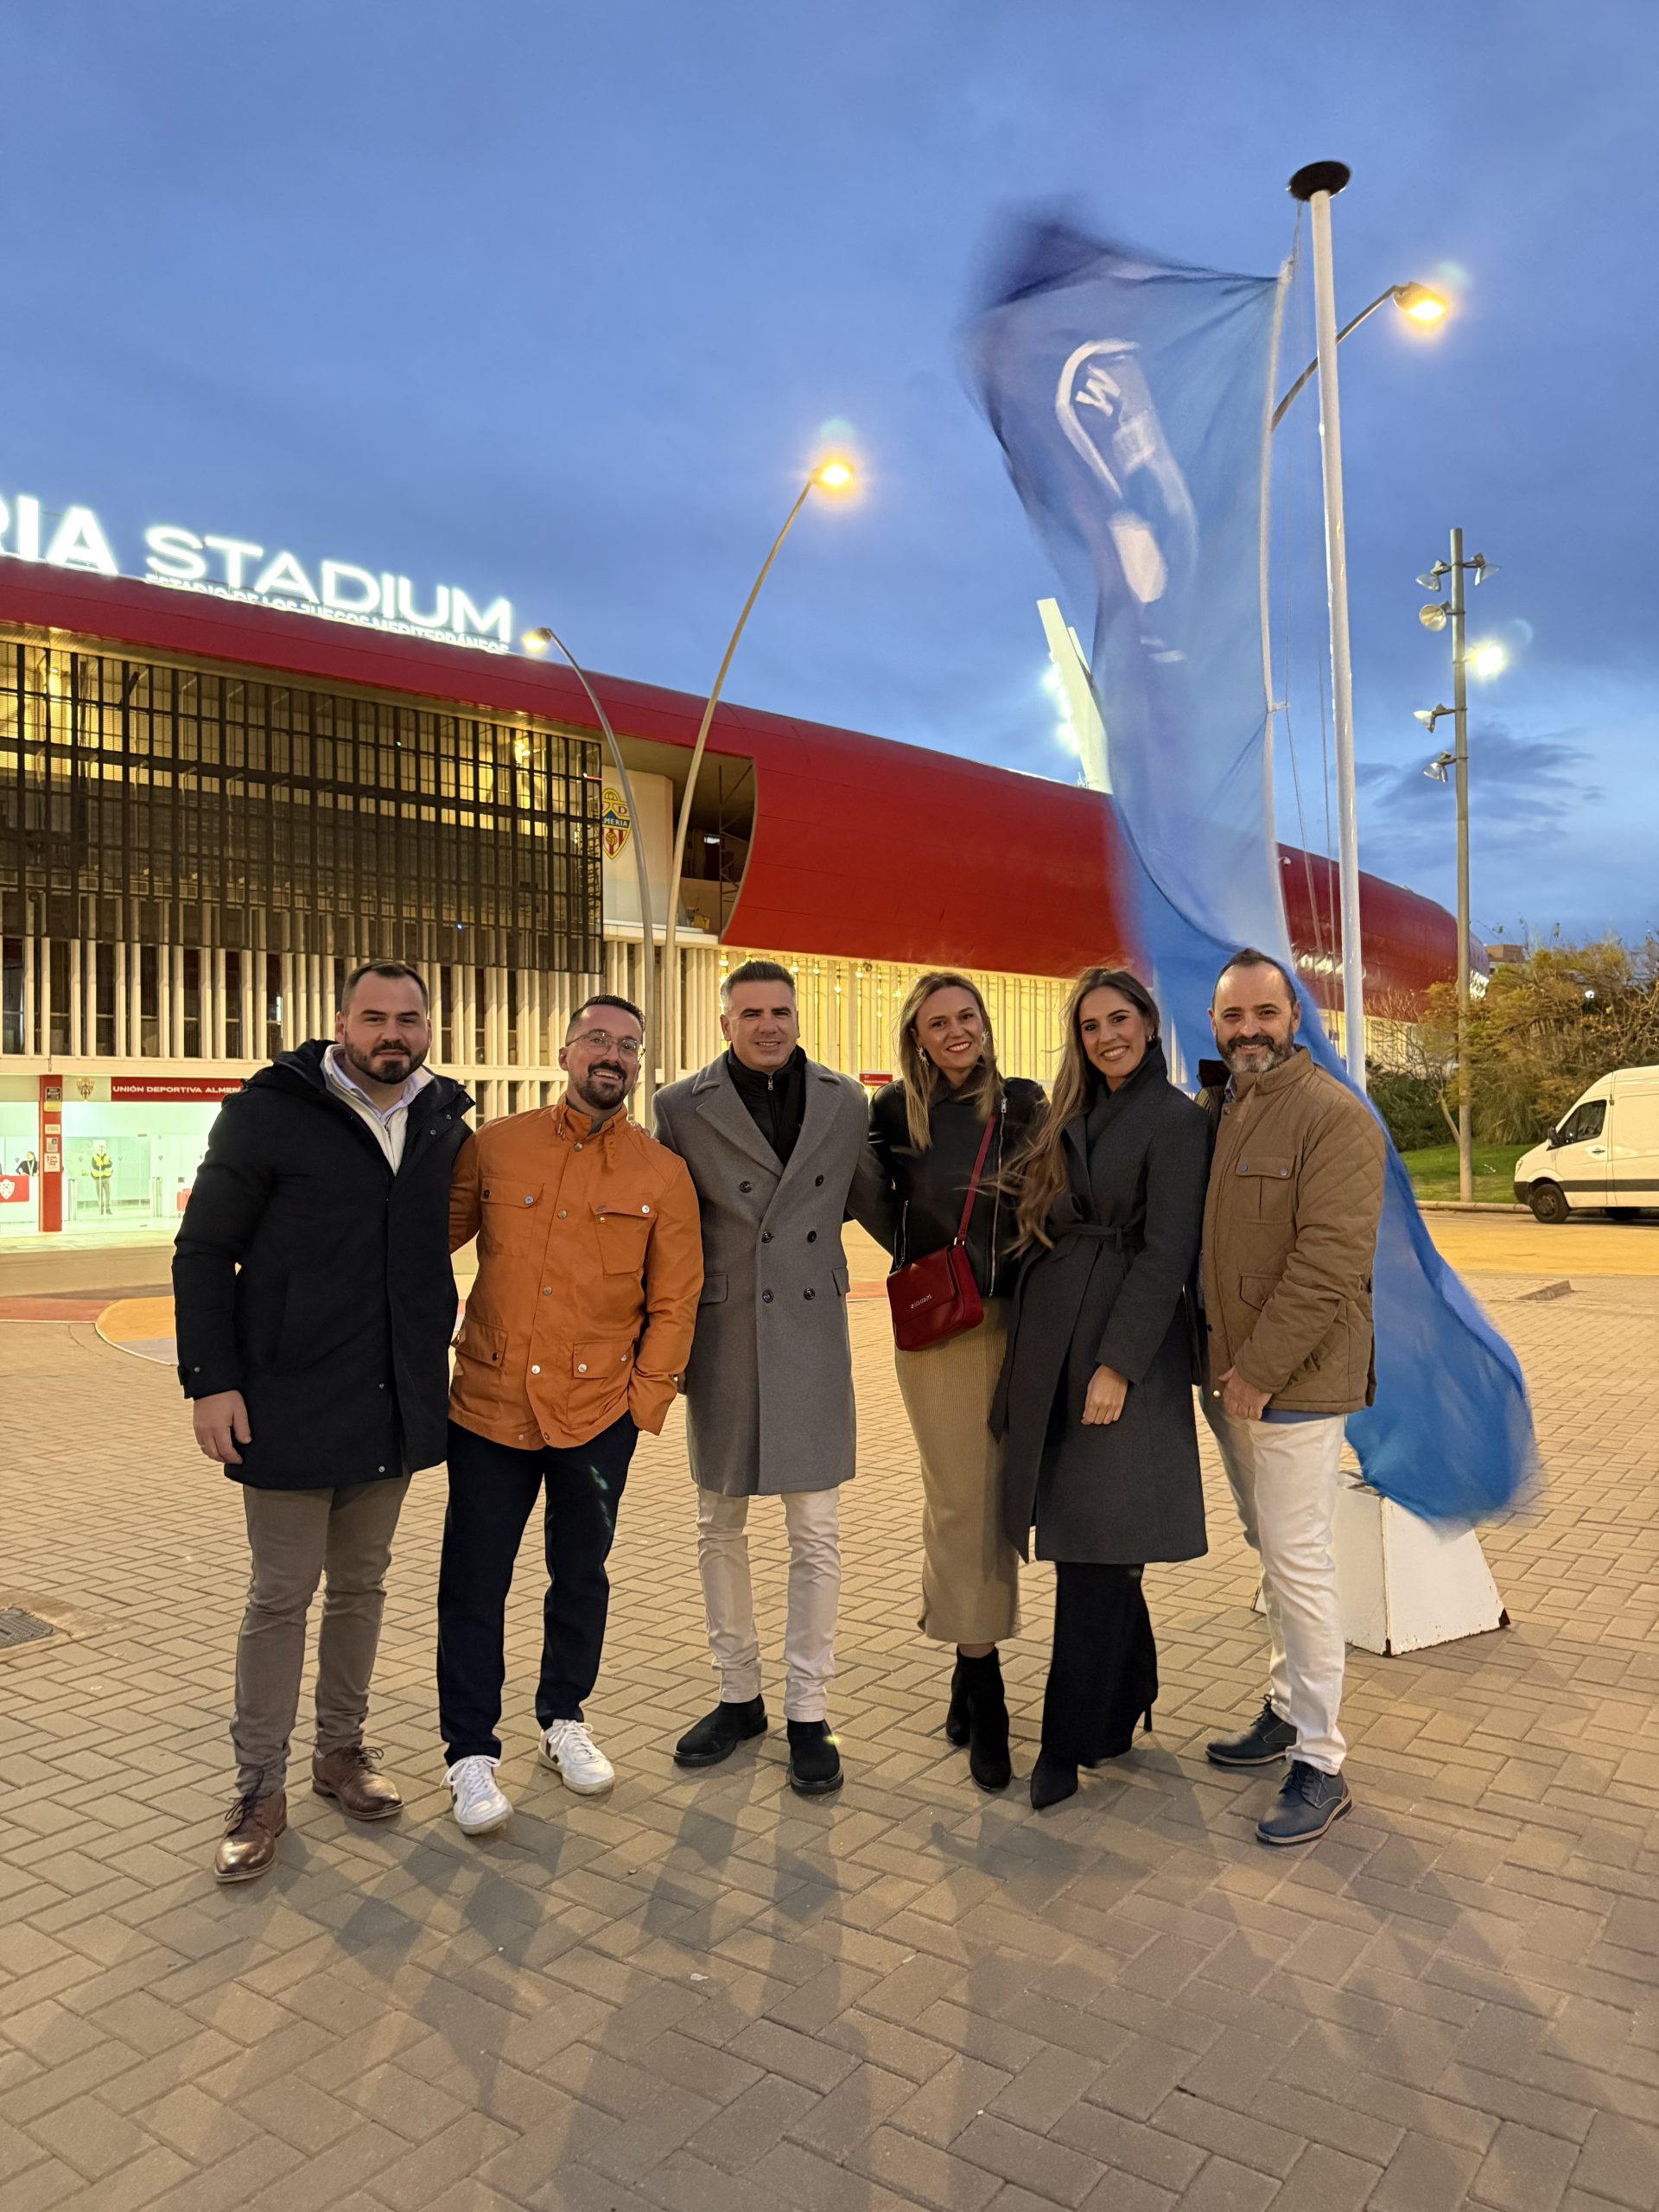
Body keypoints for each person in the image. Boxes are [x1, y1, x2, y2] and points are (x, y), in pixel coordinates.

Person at [174, 961, 470, 1883]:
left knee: (363, 1585)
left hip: (393, 1401)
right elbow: (203, 1250)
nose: (392, 1033)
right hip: (286, 1401)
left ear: (429, 1028)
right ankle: (258, 1788)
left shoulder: (443, 1122)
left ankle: (340, 1752)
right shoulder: (269, 1110)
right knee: (280, 1595)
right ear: (340, 1023)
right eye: (374, 1017)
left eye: (408, 1018)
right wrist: (210, 1382)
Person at [439, 993, 702, 1836]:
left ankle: (563, 1718)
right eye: (597, 1038)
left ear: (638, 1063)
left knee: (581, 1575)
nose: (612, 1054)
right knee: (474, 1583)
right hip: (489, 1408)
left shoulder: (661, 1175)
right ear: (564, 1051)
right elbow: (425, 1244)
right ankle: (468, 1753)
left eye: (628, 1044)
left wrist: (642, 1405)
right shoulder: (495, 1147)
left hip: (597, 1417)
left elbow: (676, 1301)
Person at [654, 958, 887, 1797]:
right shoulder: (679, 1107)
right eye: (750, 1012)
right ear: (725, 1022)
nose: (768, 1024)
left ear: (797, 1016)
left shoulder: (845, 1100)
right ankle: (738, 1695)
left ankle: (808, 1709)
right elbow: (664, 1232)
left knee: (816, 1531)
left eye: (780, 1010)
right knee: (719, 1524)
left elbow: (881, 1203)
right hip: (725, 1338)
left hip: (811, 1334)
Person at [994, 968, 1211, 1811]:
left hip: (1122, 1350)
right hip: (1057, 1337)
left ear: (1149, 1024)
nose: (1105, 1036)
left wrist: (1118, 1365)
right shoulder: (1073, 1110)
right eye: (1090, 1026)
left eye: (1119, 1019)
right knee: (1100, 1541)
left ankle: (1065, 1741)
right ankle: (1125, 1699)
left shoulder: (1176, 1120)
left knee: (1096, 1547)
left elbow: (1166, 1254)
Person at [1199, 947, 1386, 1847]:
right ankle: (1283, 1708)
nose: (1249, 1030)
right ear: (1214, 1024)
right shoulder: (1227, 1108)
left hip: (1292, 1384)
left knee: (1300, 1562)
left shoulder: (1332, 1117)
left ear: (1295, 1017)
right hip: (1231, 1380)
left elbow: (1328, 1265)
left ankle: (1321, 1758)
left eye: (1264, 1013)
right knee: (1272, 1552)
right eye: (1233, 1016)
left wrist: (1261, 1372)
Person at [868, 972, 1044, 1791]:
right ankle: (988, 1691)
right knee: (962, 1503)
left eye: (966, 1016)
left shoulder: (1024, 1103)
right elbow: (874, 1206)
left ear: (984, 1022)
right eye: (937, 1023)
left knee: (998, 1499)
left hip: (1022, 1323)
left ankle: (966, 1670)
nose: (955, 1032)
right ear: (917, 1036)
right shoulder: (890, 1114)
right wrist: (930, 1268)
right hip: (942, 1332)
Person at [90, 1141, 114, 1215]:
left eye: (102, 1147)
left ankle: (108, 1209)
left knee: (108, 1194)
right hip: (98, 1178)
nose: (101, 1149)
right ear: (97, 1149)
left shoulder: (107, 1156)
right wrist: (103, 1166)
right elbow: (94, 1166)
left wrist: (102, 1166)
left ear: (104, 1148)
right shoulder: (94, 1157)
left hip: (106, 1178)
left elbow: (110, 1164)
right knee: (100, 1194)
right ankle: (101, 1209)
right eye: (100, 1148)